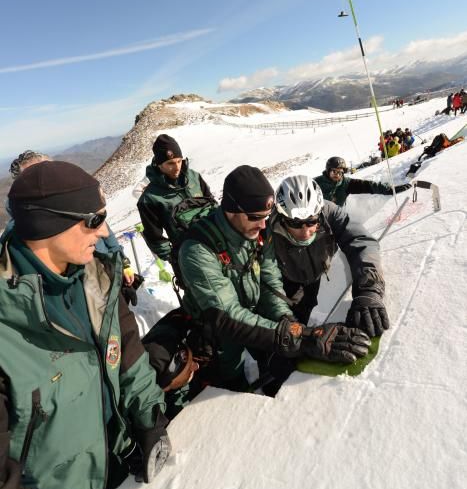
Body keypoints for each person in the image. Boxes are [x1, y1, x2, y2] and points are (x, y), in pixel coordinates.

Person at [0, 161, 170, 489]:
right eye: (94, 220)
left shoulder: (97, 280)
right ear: (45, 225)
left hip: (119, 487)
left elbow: (127, 356)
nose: (106, 233)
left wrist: (150, 419)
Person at [175, 165, 371, 393]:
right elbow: (225, 314)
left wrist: (290, 325)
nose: (263, 225)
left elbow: (270, 284)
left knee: (274, 358)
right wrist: (303, 338)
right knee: (231, 376)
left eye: (266, 217)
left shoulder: (256, 232)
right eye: (255, 218)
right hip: (219, 329)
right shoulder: (197, 250)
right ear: (230, 210)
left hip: (252, 310)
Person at [267, 175, 389, 333]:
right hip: (286, 282)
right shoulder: (268, 230)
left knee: (310, 307)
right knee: (295, 321)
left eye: (311, 221)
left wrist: (368, 290)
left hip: (317, 276)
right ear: (283, 218)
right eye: (295, 223)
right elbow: (265, 280)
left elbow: (360, 240)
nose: (305, 232)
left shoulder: (329, 212)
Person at [8, 149, 136, 291]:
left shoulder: (81, 205)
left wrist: (122, 263)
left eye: (52, 171)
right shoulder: (22, 235)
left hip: (107, 271)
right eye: (36, 177)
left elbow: (108, 235)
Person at [137, 134, 215, 269]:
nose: (177, 167)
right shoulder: (149, 198)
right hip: (190, 256)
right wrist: (175, 258)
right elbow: (155, 238)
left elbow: (213, 204)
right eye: (171, 163)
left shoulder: (194, 177)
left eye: (179, 161)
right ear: (159, 164)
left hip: (217, 243)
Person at [314, 157, 411, 206]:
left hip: (335, 218)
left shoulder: (346, 183)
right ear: (328, 170)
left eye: (340, 172)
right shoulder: (316, 183)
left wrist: (389, 190)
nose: (337, 175)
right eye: (334, 171)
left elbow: (368, 186)